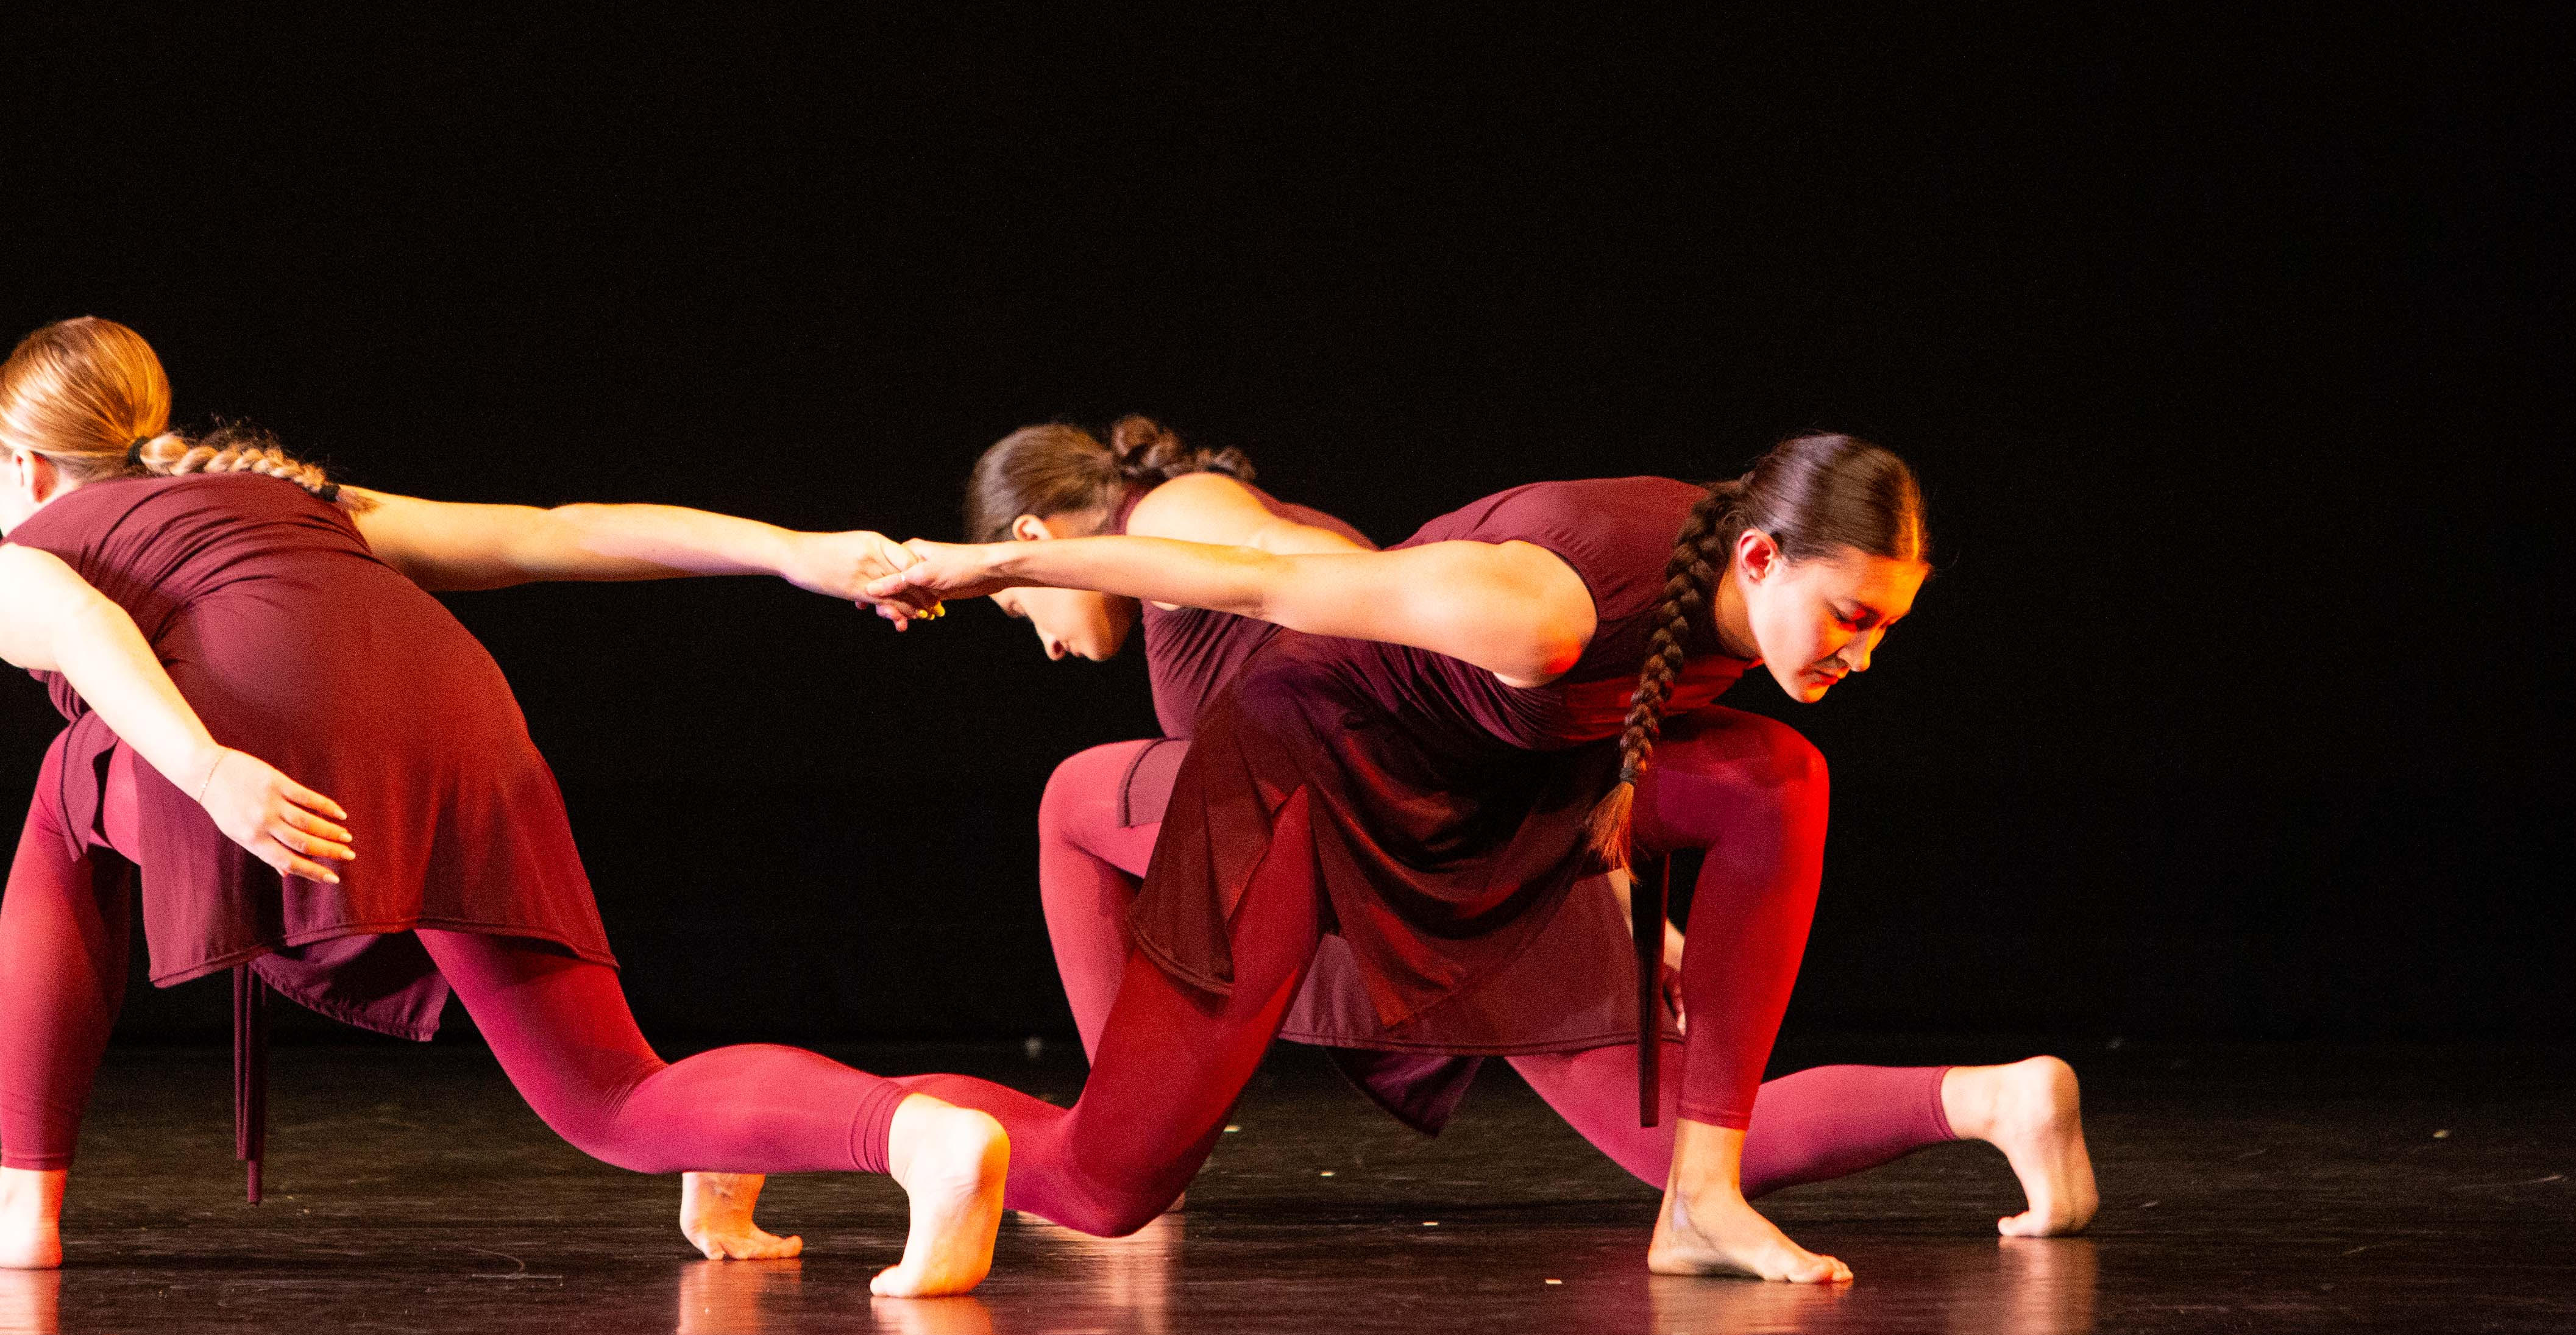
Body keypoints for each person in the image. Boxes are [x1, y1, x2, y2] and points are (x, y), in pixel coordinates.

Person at [694, 420, 2095, 1252]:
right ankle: (813, 1120)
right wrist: (1000, 566)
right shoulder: (1549, 603)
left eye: (1882, 629)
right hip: (1347, 809)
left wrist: (1613, 881)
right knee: (1102, 1185)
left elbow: (1278, 582)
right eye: (1855, 620)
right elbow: (1263, 581)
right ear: (1762, 559)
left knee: (1778, 789)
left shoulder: (1676, 605)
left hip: (1437, 824)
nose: (1863, 656)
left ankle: (1952, 1114)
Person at [0, 316, 1007, 1297]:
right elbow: (553, 534)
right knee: (616, 1096)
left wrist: (210, 770)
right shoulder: (287, 495)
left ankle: (27, 1203)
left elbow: (82, 631)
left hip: (280, 735)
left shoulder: (15, 562)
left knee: (61, 804)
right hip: (462, 714)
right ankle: (918, 1138)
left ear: (19, 465)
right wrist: (791, 552)